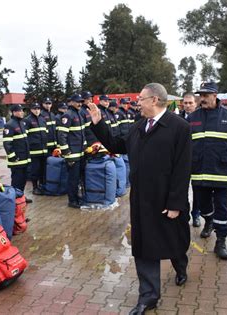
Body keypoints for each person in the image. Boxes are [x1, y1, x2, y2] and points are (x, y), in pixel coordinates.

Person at [88, 83, 191, 315]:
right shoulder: (138, 127)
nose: (138, 103)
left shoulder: (179, 127)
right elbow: (117, 145)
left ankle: (181, 266)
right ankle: (149, 296)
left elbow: (183, 169)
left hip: (168, 200)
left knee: (174, 240)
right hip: (142, 200)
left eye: (141, 99)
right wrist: (98, 123)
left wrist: (175, 203)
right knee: (144, 247)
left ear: (154, 100)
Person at [187, 82, 227, 260]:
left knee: (222, 207)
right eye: (201, 95)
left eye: (206, 95)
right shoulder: (192, 118)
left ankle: (221, 241)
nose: (203, 98)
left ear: (215, 95)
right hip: (198, 172)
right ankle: (208, 221)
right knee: (203, 205)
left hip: (222, 173)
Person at [58, 94, 87, 208]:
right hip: (72, 154)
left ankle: (76, 197)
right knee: (73, 179)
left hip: (80, 153)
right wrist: (66, 152)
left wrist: (85, 148)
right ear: (71, 102)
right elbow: (62, 135)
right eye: (77, 102)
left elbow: (82, 134)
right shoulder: (67, 115)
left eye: (81, 101)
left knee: (79, 178)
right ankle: (72, 200)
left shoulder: (79, 114)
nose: (80, 104)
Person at [179, 92, 201, 227]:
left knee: (197, 190)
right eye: (185, 103)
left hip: (197, 160)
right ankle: (184, 215)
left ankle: (196, 215)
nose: (187, 106)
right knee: (181, 188)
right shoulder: (177, 119)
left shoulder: (200, 119)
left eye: (190, 103)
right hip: (182, 161)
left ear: (196, 103)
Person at [2, 104, 32, 203]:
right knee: (17, 181)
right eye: (20, 111)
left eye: (22, 111)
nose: (22, 112)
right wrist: (13, 157)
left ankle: (21, 196)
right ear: (14, 112)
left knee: (23, 180)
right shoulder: (9, 125)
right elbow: (7, 143)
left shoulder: (22, 123)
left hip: (24, 159)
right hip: (17, 160)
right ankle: (14, 199)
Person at [24, 103, 48, 195]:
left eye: (38, 108)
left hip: (43, 150)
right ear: (31, 110)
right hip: (34, 151)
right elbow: (25, 136)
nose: (37, 110)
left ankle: (42, 185)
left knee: (43, 170)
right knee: (35, 170)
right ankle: (35, 187)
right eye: (35, 108)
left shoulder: (43, 119)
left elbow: (45, 133)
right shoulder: (28, 120)